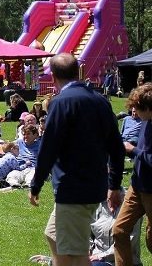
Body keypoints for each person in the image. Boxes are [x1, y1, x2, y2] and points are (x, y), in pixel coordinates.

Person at [30, 53, 125, 266]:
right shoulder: (101, 101)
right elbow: (117, 148)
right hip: (92, 186)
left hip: (73, 189)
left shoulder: (60, 102)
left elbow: (48, 148)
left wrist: (35, 185)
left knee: (78, 251)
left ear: (53, 77)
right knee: (53, 234)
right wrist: (114, 184)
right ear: (78, 73)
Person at [112, 83, 152, 265]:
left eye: (137, 108)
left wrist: (133, 150)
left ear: (149, 108)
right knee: (119, 231)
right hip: (137, 186)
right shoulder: (145, 122)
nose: (133, 112)